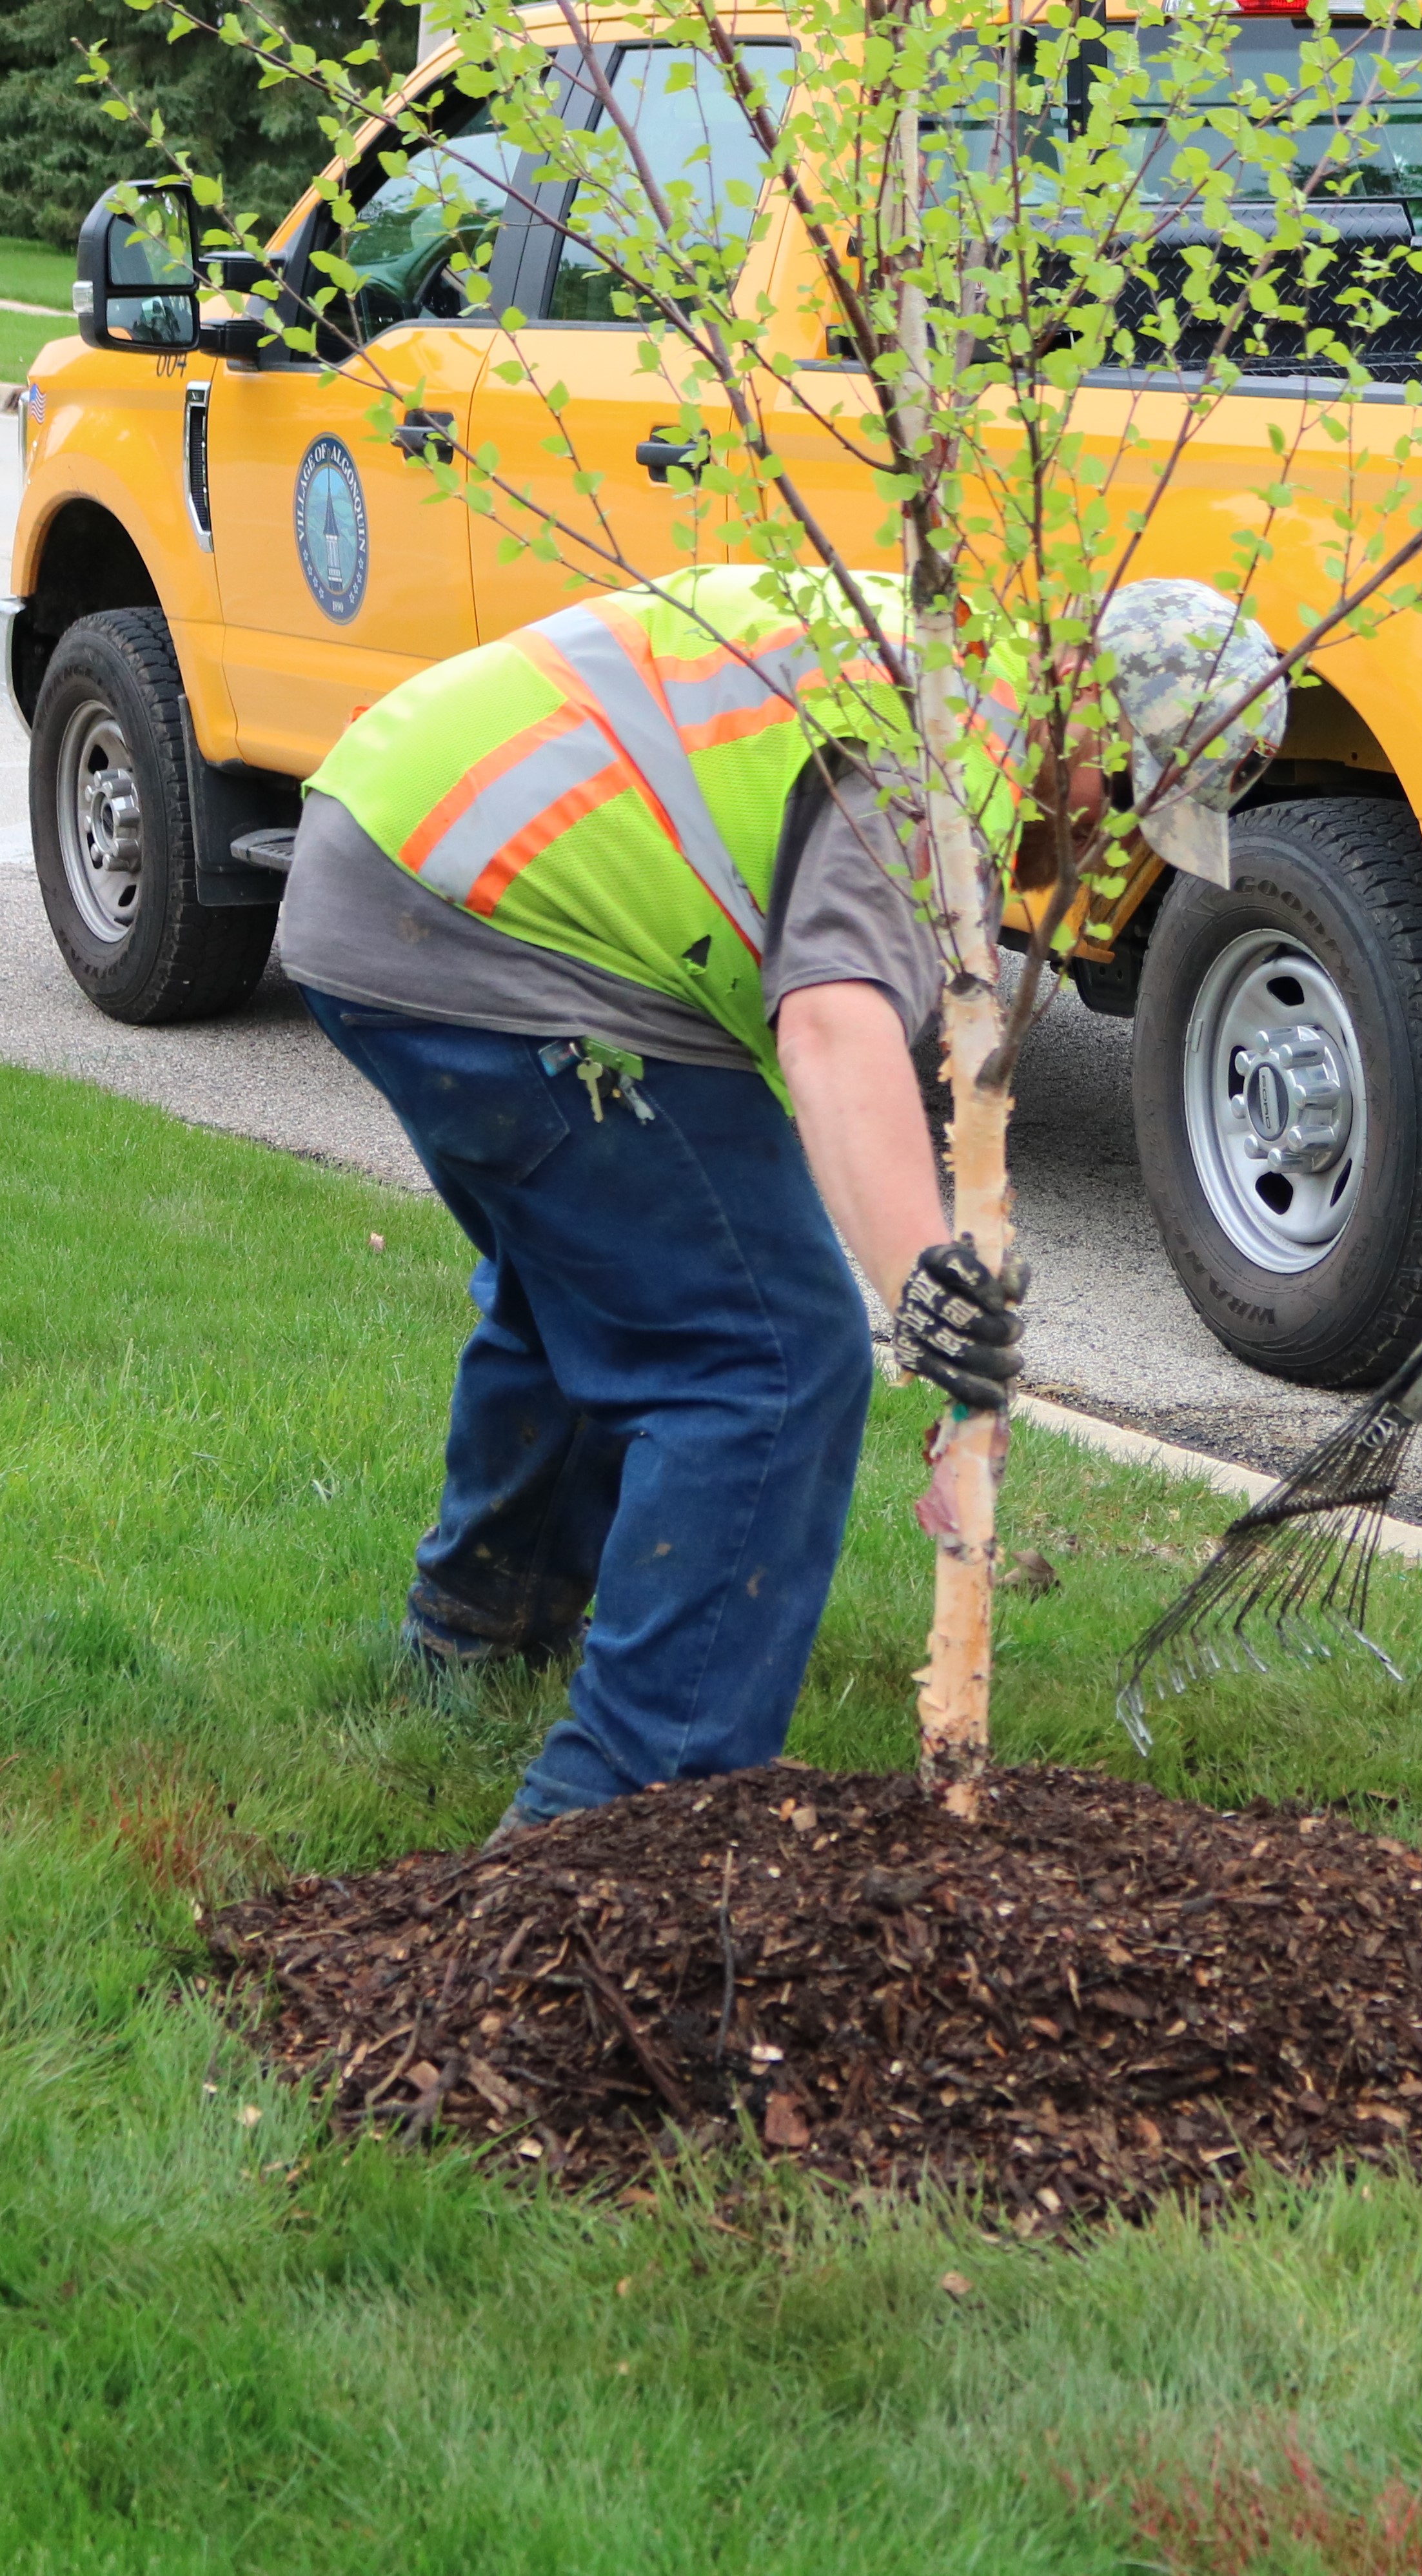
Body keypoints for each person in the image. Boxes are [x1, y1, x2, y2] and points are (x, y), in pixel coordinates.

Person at [279, 565, 1283, 1841]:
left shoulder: (927, 653)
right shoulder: (947, 739)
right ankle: (626, 1831)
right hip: (493, 922)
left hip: (393, 861)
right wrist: (929, 1295)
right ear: (1086, 700)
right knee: (766, 1359)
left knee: (608, 1275)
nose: (1105, 837)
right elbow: (832, 1024)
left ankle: (476, 1640)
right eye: (1127, 790)